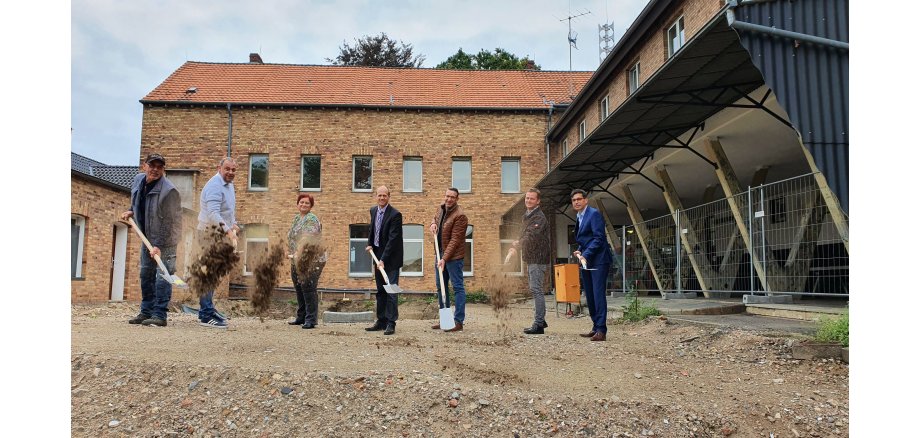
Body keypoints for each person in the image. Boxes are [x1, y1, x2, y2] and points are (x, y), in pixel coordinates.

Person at [122, 153, 182, 327]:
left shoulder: (169, 191)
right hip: (147, 236)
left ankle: (159, 314)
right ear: (144, 166)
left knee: (163, 276)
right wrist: (130, 210)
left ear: (163, 169)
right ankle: (146, 311)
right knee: (145, 274)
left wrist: (159, 245)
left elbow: (169, 221)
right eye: (152, 165)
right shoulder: (138, 180)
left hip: (167, 239)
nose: (155, 169)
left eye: (159, 166)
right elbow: (138, 201)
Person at [196, 156, 241, 329]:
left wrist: (233, 223)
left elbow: (227, 210)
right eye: (227, 169)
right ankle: (206, 314)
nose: (230, 172)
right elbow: (214, 214)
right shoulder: (215, 186)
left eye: (233, 170)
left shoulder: (229, 185)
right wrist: (229, 231)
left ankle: (208, 308)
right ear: (219, 168)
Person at [506, 188, 551, 335]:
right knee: (534, 289)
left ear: (538, 201)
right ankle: (541, 319)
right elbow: (524, 235)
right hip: (531, 258)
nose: (528, 201)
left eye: (532, 199)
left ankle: (538, 324)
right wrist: (517, 243)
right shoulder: (527, 216)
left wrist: (517, 245)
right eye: (527, 198)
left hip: (538, 258)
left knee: (536, 290)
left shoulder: (539, 218)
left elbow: (531, 237)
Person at [570, 189, 613, 342]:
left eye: (579, 199)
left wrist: (585, 254)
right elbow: (584, 240)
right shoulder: (579, 217)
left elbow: (599, 238)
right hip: (586, 261)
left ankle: (601, 330)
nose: (576, 202)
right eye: (574, 200)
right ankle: (595, 327)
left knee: (598, 294)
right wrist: (580, 250)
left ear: (586, 200)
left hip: (599, 260)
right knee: (589, 295)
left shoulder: (593, 214)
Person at [364, 186, 403, 335]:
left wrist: (384, 259)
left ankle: (391, 322)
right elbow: (372, 230)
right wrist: (369, 244)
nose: (381, 198)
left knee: (391, 290)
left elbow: (393, 240)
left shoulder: (395, 215)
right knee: (381, 290)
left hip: (391, 258)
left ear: (389, 196)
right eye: (379, 195)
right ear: (376, 196)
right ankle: (381, 320)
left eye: (384, 195)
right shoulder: (373, 210)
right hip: (377, 256)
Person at [430, 188, 469, 332]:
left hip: (453, 258)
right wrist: (432, 224)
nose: (449, 199)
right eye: (447, 196)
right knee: (441, 287)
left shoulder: (460, 216)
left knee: (457, 287)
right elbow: (435, 218)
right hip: (440, 254)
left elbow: (455, 240)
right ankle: (445, 320)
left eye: (452, 197)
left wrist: (444, 259)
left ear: (457, 199)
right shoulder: (441, 208)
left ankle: (458, 322)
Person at [287, 193, 327, 329]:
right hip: (296, 259)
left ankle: (311, 319)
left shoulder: (311, 219)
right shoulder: (296, 218)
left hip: (312, 260)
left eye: (307, 203)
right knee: (298, 286)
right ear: (297, 204)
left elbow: (306, 238)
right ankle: (301, 316)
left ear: (311, 206)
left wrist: (298, 252)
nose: (303, 205)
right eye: (301, 202)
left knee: (308, 287)